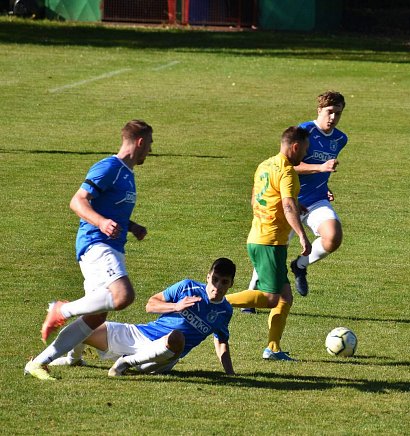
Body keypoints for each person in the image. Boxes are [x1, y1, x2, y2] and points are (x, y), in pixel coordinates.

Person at [25, 120, 154, 381]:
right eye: (150, 144)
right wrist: (101, 222)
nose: (150, 150)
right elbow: (78, 201)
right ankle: (61, 309)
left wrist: (132, 226)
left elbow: (111, 210)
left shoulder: (127, 174)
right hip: (97, 244)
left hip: (112, 246)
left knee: (95, 318)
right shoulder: (109, 167)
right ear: (140, 142)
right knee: (123, 296)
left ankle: (39, 362)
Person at [44, 258, 236, 378]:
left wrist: (230, 374)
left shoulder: (224, 311)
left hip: (164, 356)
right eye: (215, 279)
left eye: (224, 282)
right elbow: (150, 304)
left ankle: (125, 363)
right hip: (139, 334)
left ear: (231, 284)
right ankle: (74, 359)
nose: (217, 286)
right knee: (86, 323)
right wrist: (175, 306)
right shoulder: (187, 287)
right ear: (208, 276)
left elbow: (221, 342)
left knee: (177, 337)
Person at [243, 91, 347, 303]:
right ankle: (252, 293)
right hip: (289, 200)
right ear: (319, 110)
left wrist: (324, 183)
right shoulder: (304, 131)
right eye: (329, 112)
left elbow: (324, 169)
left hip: (316, 199)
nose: (333, 118)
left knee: (333, 236)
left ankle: (300, 266)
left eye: (338, 113)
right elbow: (286, 166)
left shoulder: (340, 139)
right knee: (272, 249)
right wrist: (320, 168)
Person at [226, 126, 311, 361]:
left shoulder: (265, 164)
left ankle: (272, 349)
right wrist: (303, 236)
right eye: (304, 150)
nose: (304, 155)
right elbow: (287, 206)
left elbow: (256, 197)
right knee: (272, 298)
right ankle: (214, 300)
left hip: (259, 236)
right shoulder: (287, 171)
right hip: (270, 242)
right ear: (294, 147)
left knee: (285, 298)